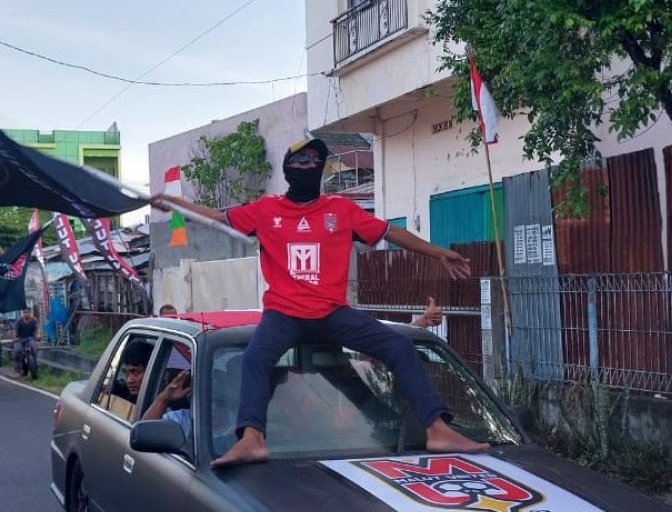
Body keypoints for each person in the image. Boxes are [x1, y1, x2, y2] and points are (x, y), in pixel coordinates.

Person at [153, 137, 488, 467]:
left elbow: (391, 232)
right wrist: (175, 204)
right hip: (284, 313)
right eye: (301, 160)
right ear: (288, 168)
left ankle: (437, 430)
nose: (309, 165)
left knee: (399, 346)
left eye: (316, 160)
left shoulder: (342, 210)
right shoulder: (265, 210)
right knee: (255, 358)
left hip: (332, 313)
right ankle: (252, 439)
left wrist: (439, 253)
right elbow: (216, 217)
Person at [13, 308, 39, 374]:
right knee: (17, 351)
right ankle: (18, 366)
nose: (26, 314)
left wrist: (38, 335)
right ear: (23, 313)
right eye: (25, 312)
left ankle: (35, 364)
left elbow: (36, 329)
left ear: (30, 313)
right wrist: (15, 338)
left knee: (34, 348)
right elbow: (15, 331)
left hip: (30, 338)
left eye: (28, 312)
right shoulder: (19, 321)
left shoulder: (34, 320)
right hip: (20, 339)